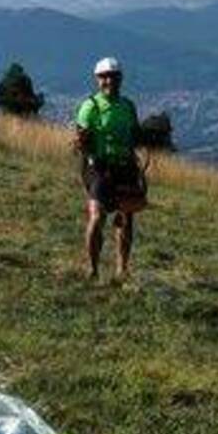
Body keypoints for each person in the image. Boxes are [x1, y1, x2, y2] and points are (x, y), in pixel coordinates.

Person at [74, 57, 146, 280]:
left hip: (125, 166)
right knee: (97, 216)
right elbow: (81, 142)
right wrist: (82, 144)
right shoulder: (90, 107)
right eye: (104, 77)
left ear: (120, 79)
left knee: (126, 218)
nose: (108, 81)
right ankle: (93, 269)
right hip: (99, 167)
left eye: (113, 76)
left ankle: (122, 269)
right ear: (97, 79)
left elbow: (135, 135)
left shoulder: (128, 106)